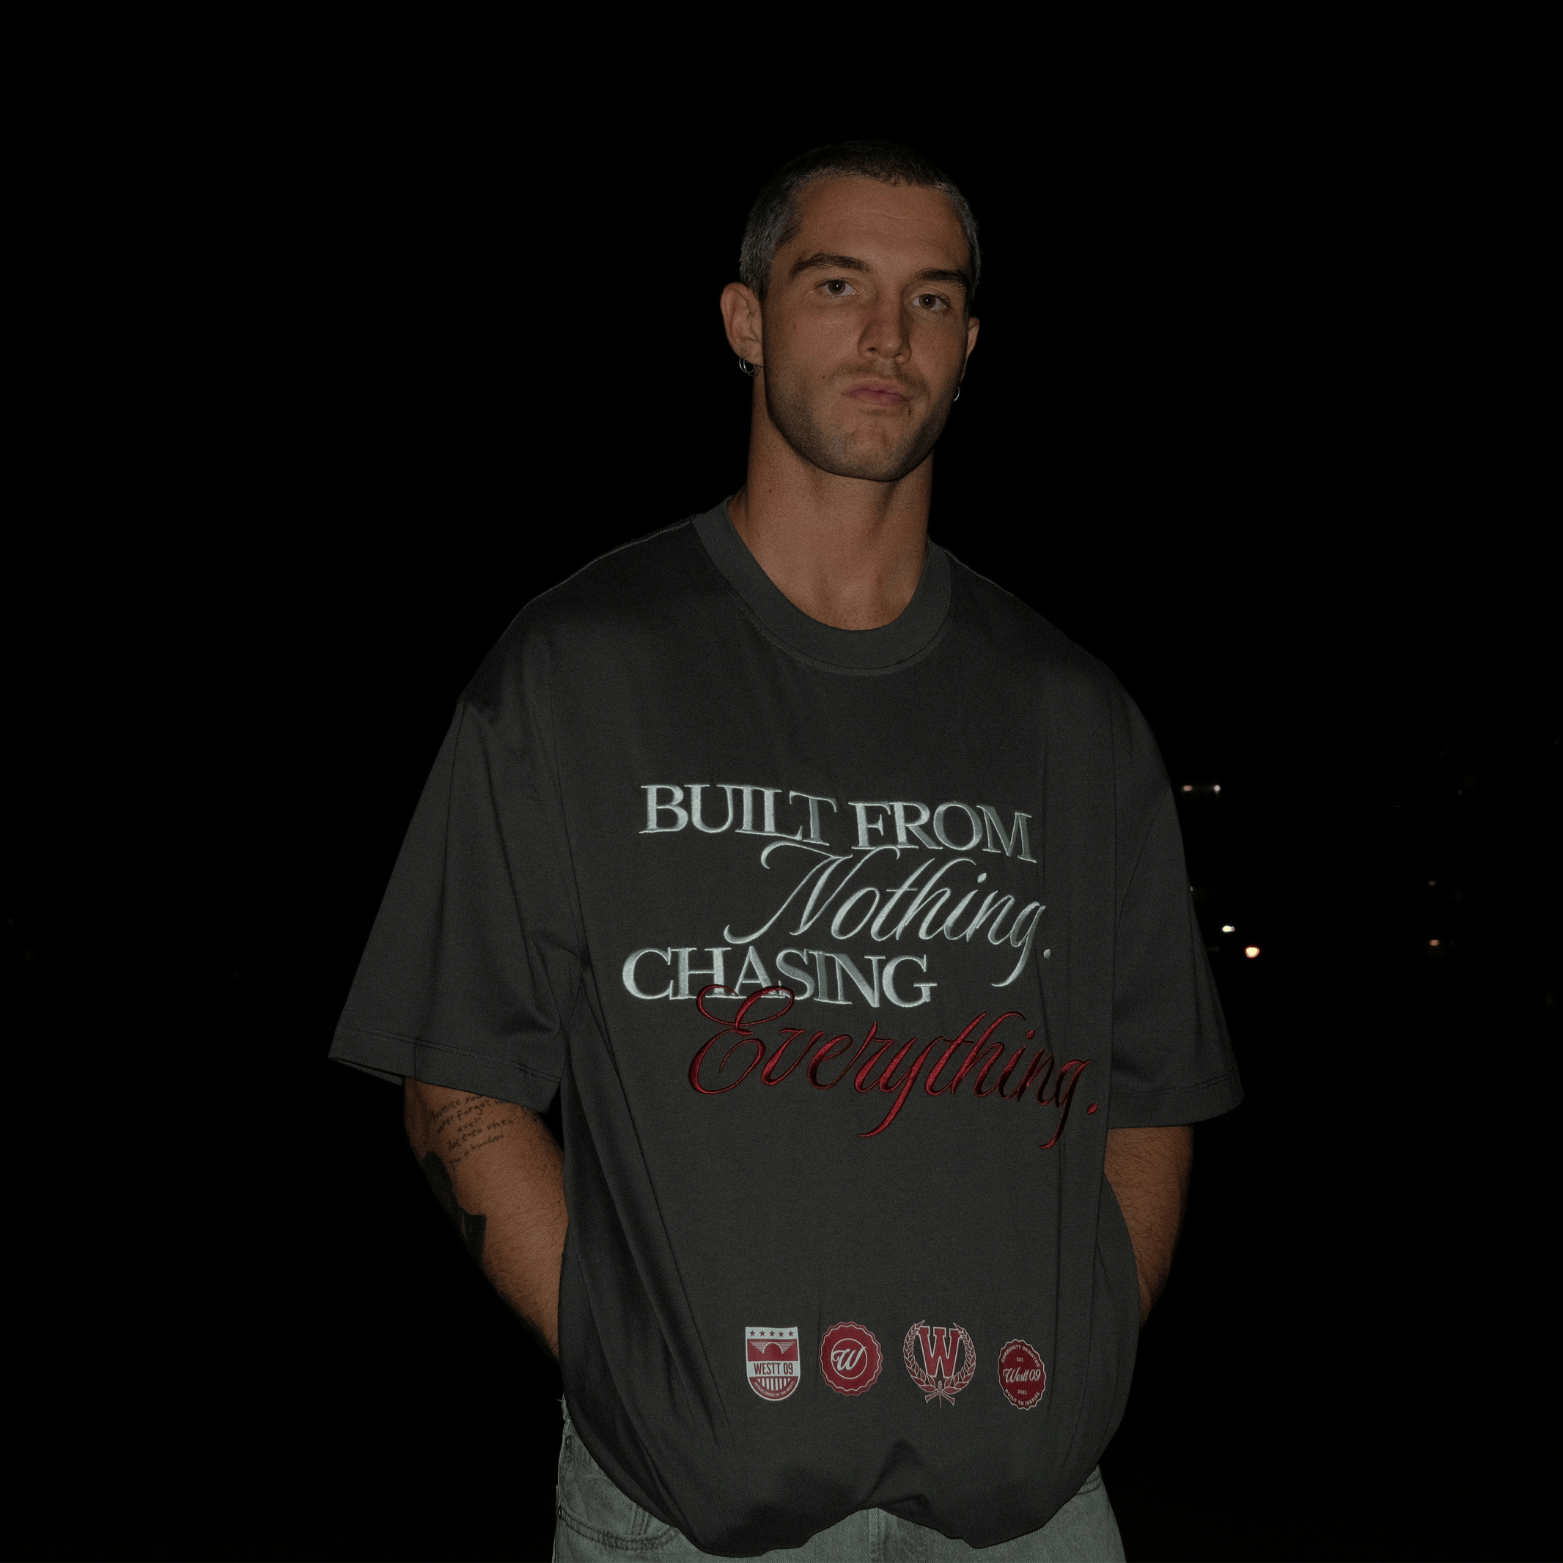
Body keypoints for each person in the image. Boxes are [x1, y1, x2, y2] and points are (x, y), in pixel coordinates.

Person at [331, 139, 1242, 1561]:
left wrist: (1087, 1357)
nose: (888, 334)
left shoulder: (1072, 713)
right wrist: (630, 1369)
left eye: (932, 298)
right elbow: (459, 1079)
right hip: (685, 1508)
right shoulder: (578, 670)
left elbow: (1150, 1088)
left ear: (969, 347)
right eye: (836, 285)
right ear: (745, 320)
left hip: (1028, 1506)